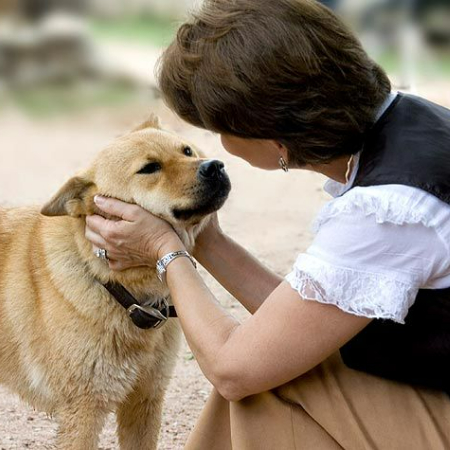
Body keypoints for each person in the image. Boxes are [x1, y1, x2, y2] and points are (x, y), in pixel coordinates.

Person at [85, 0, 450, 448]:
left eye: (217, 127)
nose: (211, 149)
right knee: (273, 364)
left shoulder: (389, 209)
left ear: (270, 132)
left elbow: (233, 369)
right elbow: (301, 323)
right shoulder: (411, 130)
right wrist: (205, 239)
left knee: (254, 383)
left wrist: (166, 251)